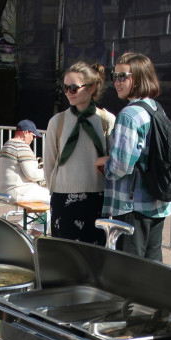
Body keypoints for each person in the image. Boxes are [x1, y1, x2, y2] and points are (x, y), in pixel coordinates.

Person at [95, 53, 171, 261]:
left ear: (138, 78)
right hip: (156, 202)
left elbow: (121, 166)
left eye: (123, 76)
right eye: (115, 76)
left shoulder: (129, 115)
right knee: (152, 266)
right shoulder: (155, 108)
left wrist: (104, 163)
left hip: (131, 205)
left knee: (130, 270)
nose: (117, 82)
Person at [43, 61, 114, 245]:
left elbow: (114, 161)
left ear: (91, 88)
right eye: (65, 88)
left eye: (73, 88)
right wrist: (55, 190)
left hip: (97, 197)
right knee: (65, 255)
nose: (68, 93)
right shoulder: (57, 122)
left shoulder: (106, 120)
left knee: (95, 256)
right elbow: (50, 162)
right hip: (62, 197)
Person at [0, 119, 49, 204]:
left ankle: (30, 218)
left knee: (41, 199)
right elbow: (33, 175)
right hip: (17, 192)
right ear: (26, 133)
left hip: (2, 191)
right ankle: (45, 218)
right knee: (52, 199)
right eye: (33, 135)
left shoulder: (7, 144)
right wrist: (47, 171)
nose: (33, 139)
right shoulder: (21, 146)